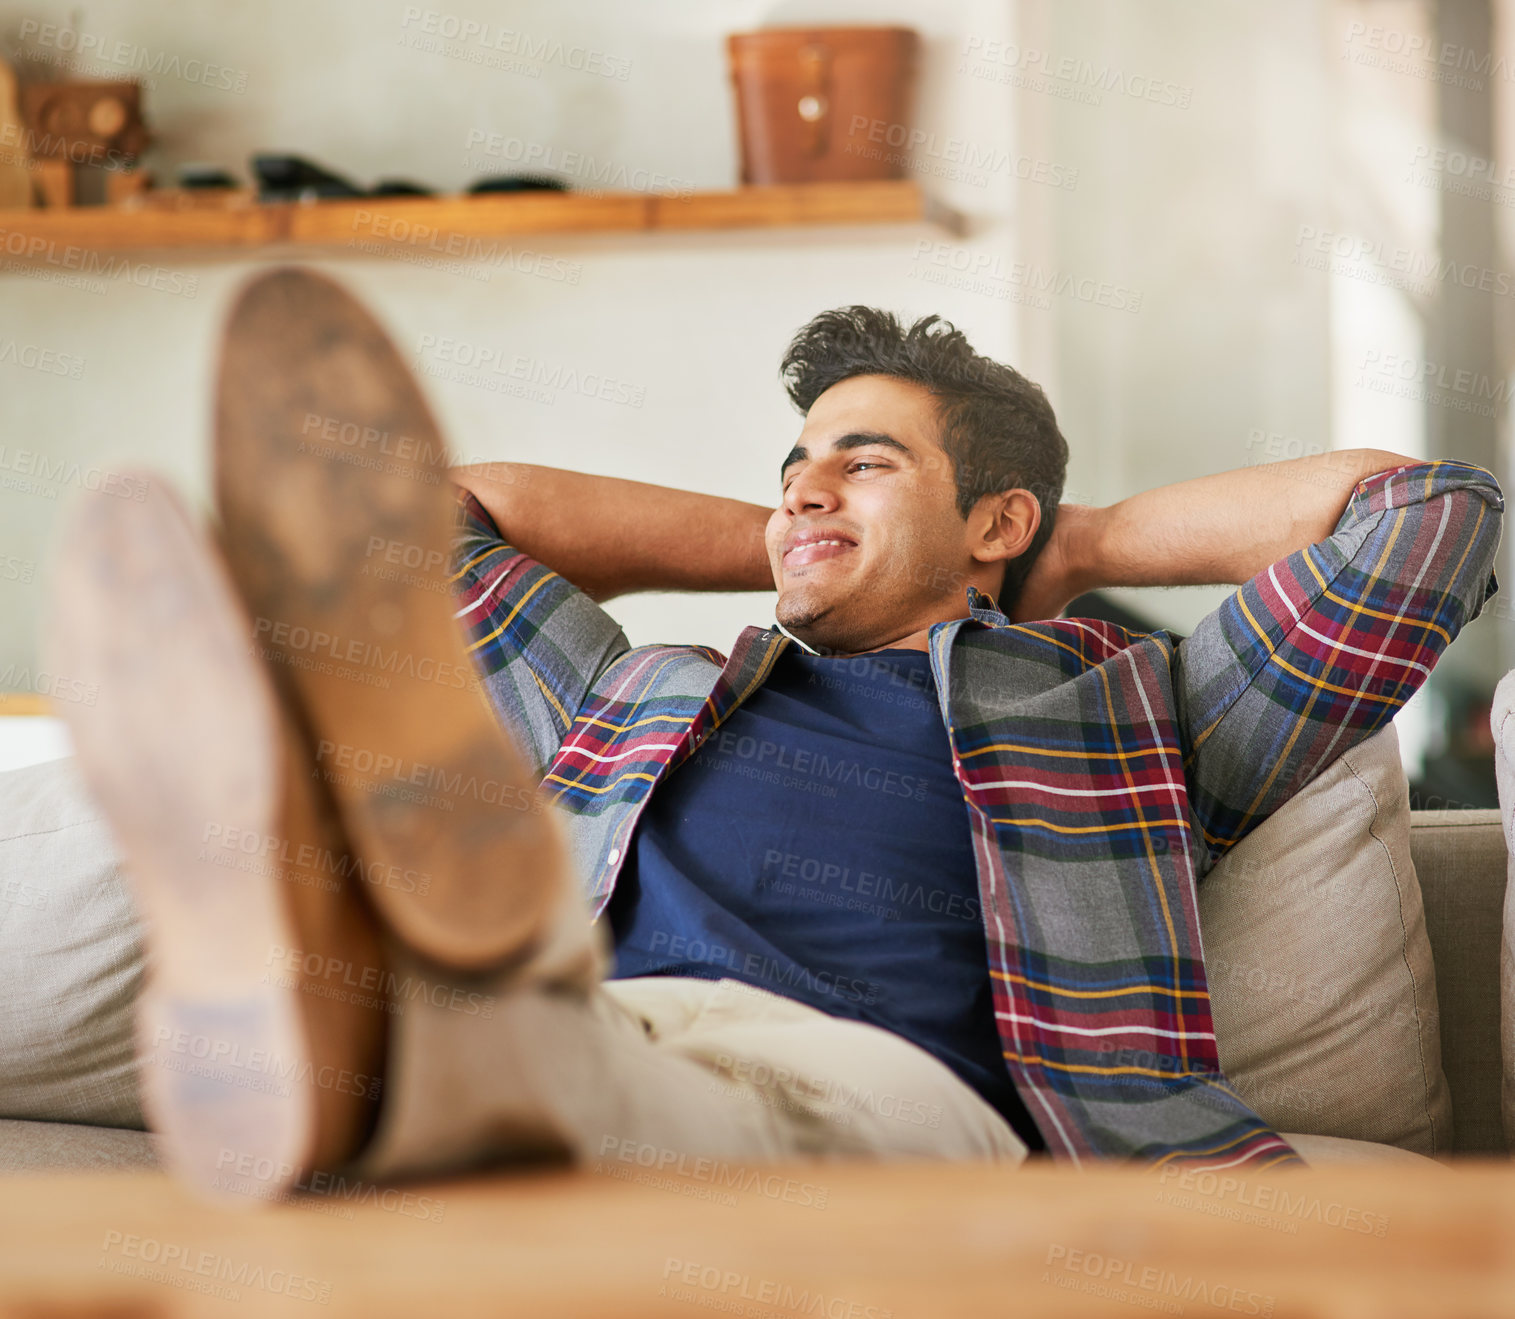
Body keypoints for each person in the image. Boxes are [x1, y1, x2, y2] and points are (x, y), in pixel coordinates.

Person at [39, 269, 1503, 1202]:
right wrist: (794, 538)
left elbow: (1433, 516)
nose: (804, 490)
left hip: (886, 1090)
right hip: (599, 1011)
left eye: (864, 463)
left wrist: (1079, 540)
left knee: (652, 1108)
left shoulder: (1131, 706)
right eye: (788, 469)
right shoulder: (640, 688)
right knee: (559, 1050)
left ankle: (399, 1049)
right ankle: (401, 1014)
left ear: (997, 518)